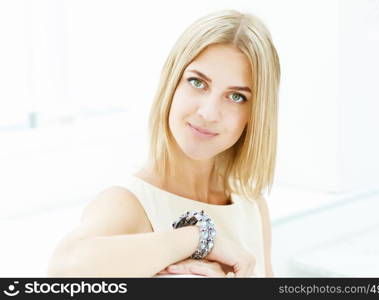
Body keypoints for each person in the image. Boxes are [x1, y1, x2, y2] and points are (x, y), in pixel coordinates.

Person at [47, 9, 280, 278]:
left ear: (255, 114)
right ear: (172, 83)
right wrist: (199, 238)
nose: (208, 112)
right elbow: (64, 270)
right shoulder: (129, 203)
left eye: (236, 97)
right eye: (197, 82)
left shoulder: (250, 203)